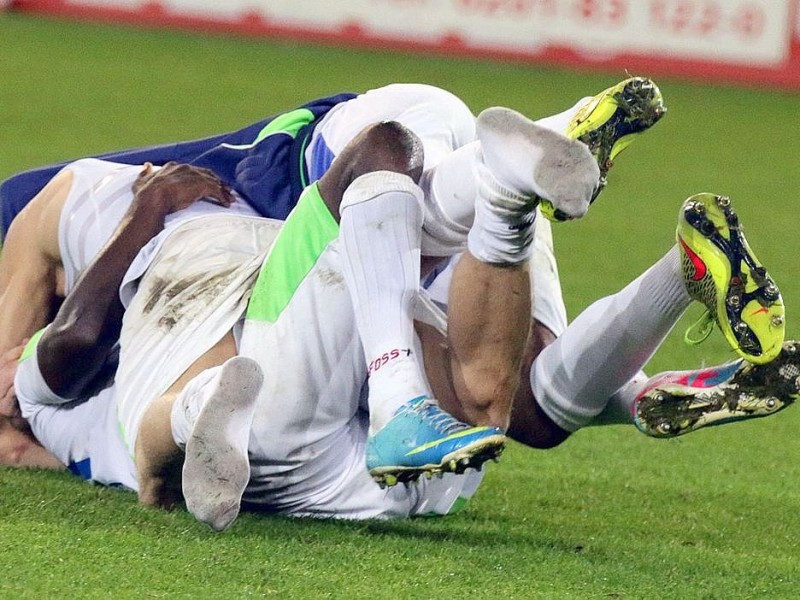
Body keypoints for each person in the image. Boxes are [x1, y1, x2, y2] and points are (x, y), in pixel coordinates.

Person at [12, 114, 794, 532]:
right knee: (384, 157)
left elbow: (138, 460)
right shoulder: (62, 393)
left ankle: (653, 301)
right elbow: (127, 432)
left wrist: (191, 422)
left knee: (507, 403)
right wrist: (153, 206)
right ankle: (500, 190)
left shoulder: (74, 425)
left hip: (396, 483)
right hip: (289, 435)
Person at [0, 77, 668, 468]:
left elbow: (40, 362)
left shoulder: (32, 210)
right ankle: (650, 348)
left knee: (399, 182)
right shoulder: (95, 249)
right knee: (520, 409)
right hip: (407, 153)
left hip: (328, 155)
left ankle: (521, 160)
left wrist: (35, 423)